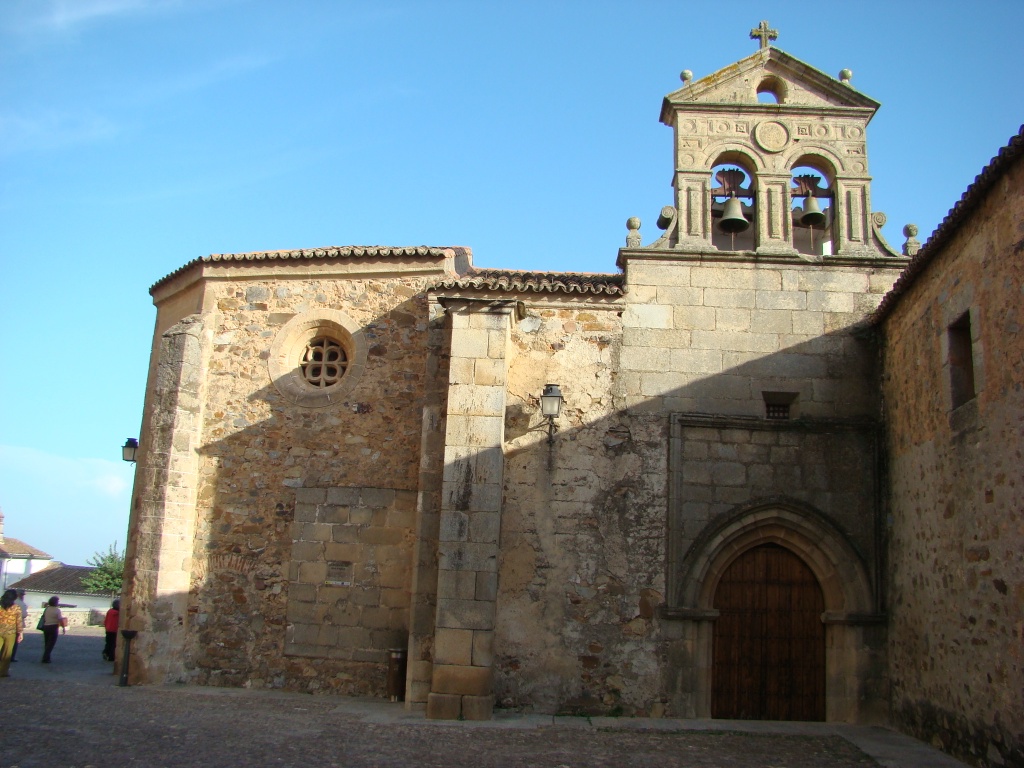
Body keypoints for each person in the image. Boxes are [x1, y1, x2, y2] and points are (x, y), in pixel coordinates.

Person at [0, 589, 25, 677]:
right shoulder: (16, 608)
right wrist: (20, 633)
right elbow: (19, 622)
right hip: (10, 633)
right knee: (7, 653)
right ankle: (3, 672)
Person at [41, 595, 66, 663]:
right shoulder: (57, 610)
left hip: (46, 626)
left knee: (47, 643)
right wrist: (63, 627)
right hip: (53, 627)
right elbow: (60, 619)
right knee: (51, 643)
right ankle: (45, 658)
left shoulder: (47, 609)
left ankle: (47, 657)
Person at [10, 589, 27, 662]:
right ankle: (11, 657)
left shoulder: (10, 601)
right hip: (16, 624)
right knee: (14, 642)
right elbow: (24, 614)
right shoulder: (20, 603)